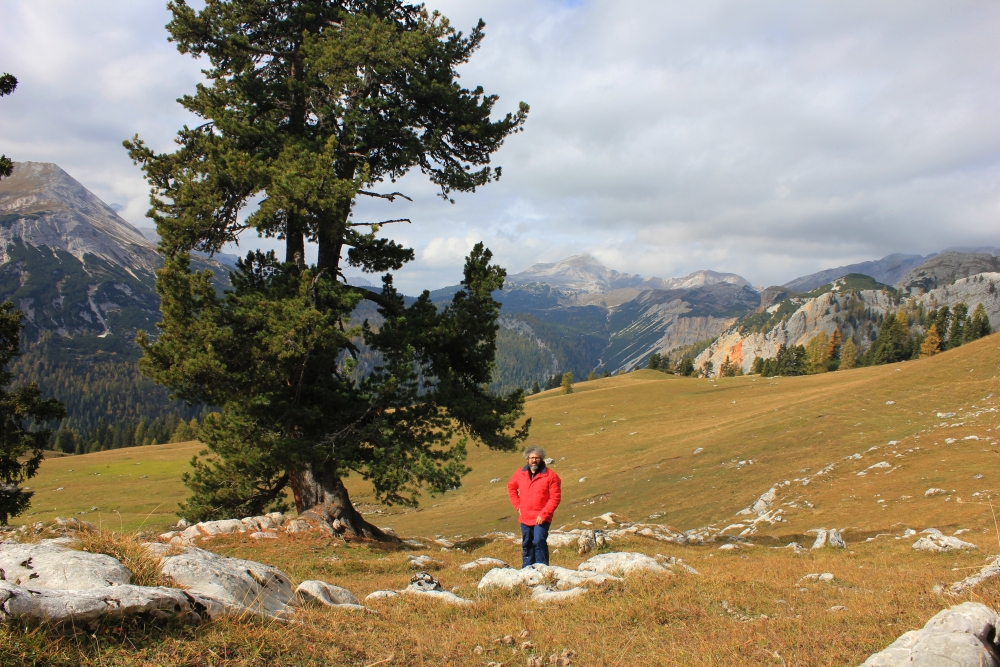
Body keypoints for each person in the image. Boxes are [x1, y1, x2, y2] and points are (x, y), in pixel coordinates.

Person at [507, 445, 562, 567]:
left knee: (538, 541)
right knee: (527, 543)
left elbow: (555, 498)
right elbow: (511, 488)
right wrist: (518, 506)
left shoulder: (551, 476)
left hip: (541, 517)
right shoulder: (520, 474)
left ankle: (542, 569)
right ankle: (527, 568)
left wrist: (544, 514)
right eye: (531, 458)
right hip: (525, 517)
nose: (534, 460)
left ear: (541, 459)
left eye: (537, 458)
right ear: (527, 459)